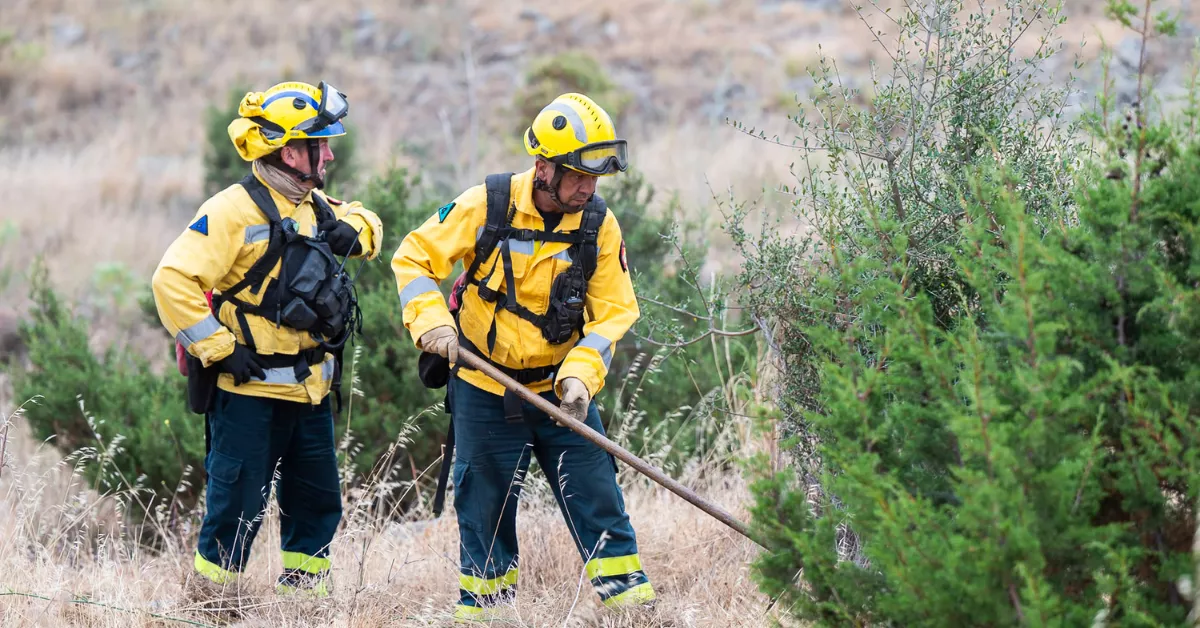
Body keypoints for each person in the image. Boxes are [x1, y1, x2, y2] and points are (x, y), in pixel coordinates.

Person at [391, 92, 654, 621]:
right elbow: (413, 257)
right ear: (542, 167)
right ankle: (489, 614)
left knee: (599, 498)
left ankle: (633, 613)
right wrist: (434, 325)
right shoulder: (487, 204)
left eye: (595, 176)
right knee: (483, 513)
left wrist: (581, 375)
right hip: (485, 389)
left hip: (561, 393)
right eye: (578, 175)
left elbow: (614, 313)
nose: (588, 186)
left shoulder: (599, 225)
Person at [151, 80, 383, 597]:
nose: (329, 154)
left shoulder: (314, 202)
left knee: (318, 503)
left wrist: (358, 231)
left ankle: (302, 605)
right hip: (246, 394)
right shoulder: (232, 210)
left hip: (310, 394)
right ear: (288, 150)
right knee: (235, 507)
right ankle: (213, 605)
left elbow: (368, 220)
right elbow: (171, 280)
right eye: (320, 144)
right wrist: (219, 349)